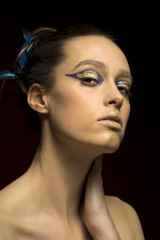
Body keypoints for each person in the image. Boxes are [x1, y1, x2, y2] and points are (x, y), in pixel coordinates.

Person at [0, 24, 145, 240]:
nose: (117, 97)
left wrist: (103, 229)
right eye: (89, 78)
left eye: (123, 86)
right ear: (39, 98)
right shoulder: (5, 225)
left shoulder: (124, 219)